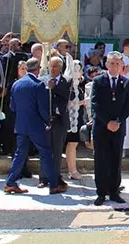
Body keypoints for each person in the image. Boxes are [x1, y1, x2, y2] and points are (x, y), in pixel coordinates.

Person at [5, 58, 66, 195]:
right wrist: (48, 121)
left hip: (21, 125)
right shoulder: (38, 85)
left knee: (20, 154)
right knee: (46, 153)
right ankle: (54, 184)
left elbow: (12, 107)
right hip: (36, 126)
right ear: (38, 69)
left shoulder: (16, 84)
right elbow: (43, 108)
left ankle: (10, 182)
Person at [90, 52, 129, 205]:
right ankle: (101, 192)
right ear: (106, 64)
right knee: (101, 160)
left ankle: (114, 191)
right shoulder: (98, 81)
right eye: (112, 63)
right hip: (102, 127)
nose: (115, 66)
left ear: (121, 65)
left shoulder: (126, 83)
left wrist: (118, 121)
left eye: (117, 63)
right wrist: (107, 122)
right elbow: (95, 104)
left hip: (118, 127)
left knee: (116, 159)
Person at [42, 57, 70, 189]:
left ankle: (55, 176)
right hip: (46, 119)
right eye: (50, 66)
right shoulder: (44, 79)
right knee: (45, 150)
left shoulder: (66, 80)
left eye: (55, 66)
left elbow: (67, 95)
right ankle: (43, 177)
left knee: (57, 150)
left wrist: (54, 88)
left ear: (60, 67)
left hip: (59, 120)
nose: (52, 69)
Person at [65, 60, 86, 180]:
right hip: (71, 119)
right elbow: (68, 103)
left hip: (78, 117)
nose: (81, 72)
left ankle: (73, 169)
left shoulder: (78, 85)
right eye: (80, 70)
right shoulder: (69, 86)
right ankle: (72, 170)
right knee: (72, 143)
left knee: (74, 143)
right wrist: (82, 102)